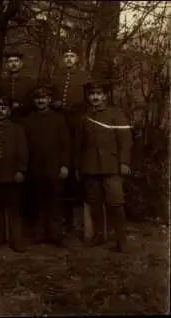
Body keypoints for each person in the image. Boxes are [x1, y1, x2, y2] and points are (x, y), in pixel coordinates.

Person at [75, 80, 132, 253]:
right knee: (95, 203)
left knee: (116, 203)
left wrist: (124, 162)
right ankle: (99, 235)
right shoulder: (84, 117)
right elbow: (79, 144)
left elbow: (126, 140)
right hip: (91, 167)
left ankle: (121, 241)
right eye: (92, 94)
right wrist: (78, 166)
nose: (95, 97)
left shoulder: (115, 114)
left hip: (112, 166)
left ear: (104, 96)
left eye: (98, 94)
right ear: (88, 97)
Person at [22, 84, 71, 248]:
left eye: (44, 98)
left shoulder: (58, 120)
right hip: (35, 167)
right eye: (38, 99)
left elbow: (66, 144)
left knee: (55, 201)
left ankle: (56, 234)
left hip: (54, 167)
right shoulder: (28, 121)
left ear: (50, 100)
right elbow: (24, 146)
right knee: (38, 201)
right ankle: (40, 233)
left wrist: (64, 165)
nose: (41, 101)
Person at [53, 45, 91, 231]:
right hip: (60, 120)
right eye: (66, 56)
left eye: (72, 56)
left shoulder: (84, 77)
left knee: (76, 157)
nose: (68, 59)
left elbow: (89, 100)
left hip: (76, 120)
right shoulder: (57, 76)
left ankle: (76, 216)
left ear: (77, 59)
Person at [0, 97, 27, 253]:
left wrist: (21, 170)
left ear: (9, 111)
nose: (0, 111)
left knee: (14, 209)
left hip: (12, 175)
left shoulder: (17, 129)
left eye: (3, 108)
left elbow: (22, 152)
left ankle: (16, 240)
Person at [0, 51, 36, 124]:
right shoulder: (1, 83)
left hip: (25, 118)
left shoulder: (29, 82)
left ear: (21, 64)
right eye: (10, 61)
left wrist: (21, 105)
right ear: (6, 65)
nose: (13, 64)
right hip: (7, 120)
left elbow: (33, 101)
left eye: (16, 61)